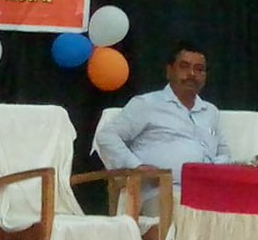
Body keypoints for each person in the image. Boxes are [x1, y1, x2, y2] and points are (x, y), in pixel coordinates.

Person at [95, 42, 230, 215]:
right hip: (162, 193)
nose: (192, 74)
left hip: (206, 193)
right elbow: (107, 136)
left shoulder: (211, 112)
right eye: (184, 66)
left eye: (199, 69)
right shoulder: (147, 104)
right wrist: (137, 166)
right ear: (169, 71)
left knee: (241, 213)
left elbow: (224, 152)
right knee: (192, 216)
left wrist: (211, 170)